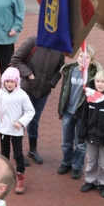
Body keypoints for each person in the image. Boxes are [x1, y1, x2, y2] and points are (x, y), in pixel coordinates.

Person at [10, 36, 65, 165]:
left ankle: (32, 150)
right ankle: (18, 153)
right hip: (26, 90)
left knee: (34, 121)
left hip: (43, 91)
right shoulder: (33, 41)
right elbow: (16, 59)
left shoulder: (59, 48)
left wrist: (51, 83)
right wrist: (29, 74)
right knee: (21, 121)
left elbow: (60, 69)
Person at [0, 67, 35, 195]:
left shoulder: (22, 95)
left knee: (18, 153)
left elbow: (30, 111)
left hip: (16, 130)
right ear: (3, 81)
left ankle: (20, 176)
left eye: (12, 81)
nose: (9, 84)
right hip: (3, 129)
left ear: (17, 82)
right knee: (4, 153)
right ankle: (5, 176)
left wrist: (21, 122)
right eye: (7, 81)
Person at [57, 45, 100, 180]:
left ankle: (77, 166)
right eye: (81, 56)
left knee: (80, 143)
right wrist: (61, 109)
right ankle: (66, 162)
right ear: (77, 57)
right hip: (68, 111)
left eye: (87, 57)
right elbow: (64, 91)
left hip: (83, 114)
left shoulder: (93, 75)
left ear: (92, 61)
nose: (83, 59)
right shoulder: (70, 70)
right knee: (66, 140)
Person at [78, 70, 104, 198]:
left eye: (103, 82)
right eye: (98, 81)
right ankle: (90, 181)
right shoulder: (90, 98)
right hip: (91, 136)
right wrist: (82, 134)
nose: (100, 84)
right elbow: (84, 117)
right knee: (91, 161)